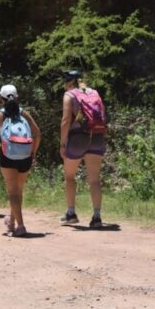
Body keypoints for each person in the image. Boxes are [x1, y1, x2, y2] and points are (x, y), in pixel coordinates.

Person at [0, 85, 41, 237]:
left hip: (8, 156)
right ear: (17, 98)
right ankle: (11, 222)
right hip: (25, 156)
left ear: (1, 99)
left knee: (12, 192)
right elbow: (38, 134)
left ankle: (21, 226)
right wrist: (33, 152)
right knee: (19, 191)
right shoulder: (25, 114)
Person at [59, 70, 107, 228]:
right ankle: (97, 217)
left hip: (78, 138)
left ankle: (71, 213)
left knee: (69, 177)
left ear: (69, 82)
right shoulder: (94, 93)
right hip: (97, 136)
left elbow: (66, 120)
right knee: (94, 179)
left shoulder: (69, 95)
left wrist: (63, 143)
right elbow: (103, 116)